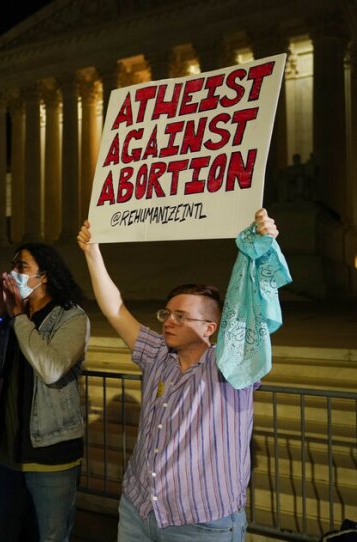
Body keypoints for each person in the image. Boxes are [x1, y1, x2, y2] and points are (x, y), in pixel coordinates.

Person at [76, 208, 279, 541]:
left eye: (181, 316)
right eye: (167, 313)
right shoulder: (158, 355)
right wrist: (92, 252)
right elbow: (115, 309)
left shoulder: (230, 367)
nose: (168, 321)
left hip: (199, 522)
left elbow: (251, 312)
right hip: (138, 511)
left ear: (210, 328)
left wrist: (262, 249)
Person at [0, 243, 89, 542]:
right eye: (12, 265)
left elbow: (52, 368)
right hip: (4, 455)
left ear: (44, 277)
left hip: (49, 456)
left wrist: (18, 318)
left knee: (49, 535)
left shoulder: (70, 317)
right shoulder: (11, 317)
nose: (12, 272)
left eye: (22, 267)